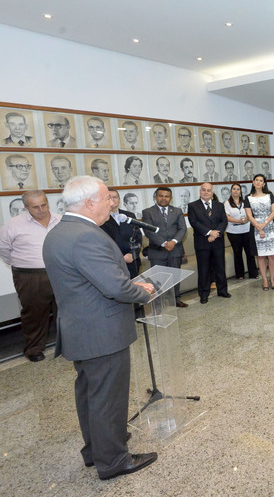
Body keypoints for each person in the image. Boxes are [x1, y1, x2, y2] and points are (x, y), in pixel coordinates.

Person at [42, 176, 157, 480]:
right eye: (107, 198)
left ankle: (97, 449)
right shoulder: (86, 236)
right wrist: (144, 291)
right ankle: (114, 460)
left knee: (90, 394)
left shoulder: (59, 232)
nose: (111, 203)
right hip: (102, 332)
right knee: (108, 398)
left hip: (81, 330)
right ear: (90, 203)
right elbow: (114, 287)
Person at [0, 190, 61, 362]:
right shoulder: (13, 225)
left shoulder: (60, 220)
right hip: (30, 276)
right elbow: (4, 250)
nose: (41, 209)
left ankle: (67, 343)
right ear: (26, 207)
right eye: (35, 207)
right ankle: (34, 348)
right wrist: (23, 263)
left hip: (60, 272)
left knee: (65, 310)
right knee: (34, 313)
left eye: (44, 205)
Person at [141, 187, 188, 307]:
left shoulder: (177, 211)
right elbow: (148, 231)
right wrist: (163, 243)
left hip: (175, 250)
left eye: (166, 196)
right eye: (161, 196)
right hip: (157, 251)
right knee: (158, 279)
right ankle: (159, 303)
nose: (163, 198)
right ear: (155, 197)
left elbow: (182, 229)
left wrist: (173, 241)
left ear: (170, 198)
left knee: (175, 276)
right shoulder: (148, 212)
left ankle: (176, 300)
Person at [188, 183, 231, 303]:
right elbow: (194, 222)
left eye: (208, 190)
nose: (206, 192)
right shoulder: (193, 206)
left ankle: (222, 291)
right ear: (200, 191)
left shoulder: (219, 205)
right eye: (204, 190)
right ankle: (204, 294)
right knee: (203, 269)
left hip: (217, 242)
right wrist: (209, 232)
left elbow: (224, 221)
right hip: (202, 242)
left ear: (212, 192)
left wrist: (216, 234)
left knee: (220, 267)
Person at [244, 175, 274, 290]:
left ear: (264, 184)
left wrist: (264, 224)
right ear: (253, 182)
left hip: (270, 226)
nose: (258, 182)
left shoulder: (269, 195)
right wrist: (259, 227)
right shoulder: (248, 198)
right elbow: (249, 215)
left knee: (272, 256)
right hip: (256, 227)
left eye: (261, 181)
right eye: (256, 180)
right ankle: (264, 280)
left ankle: (272, 279)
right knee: (260, 255)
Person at [100, 189, 142, 280]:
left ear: (119, 200)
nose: (112, 200)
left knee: (135, 285)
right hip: (113, 263)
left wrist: (132, 254)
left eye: (115, 197)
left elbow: (138, 237)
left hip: (132, 261)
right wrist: (120, 258)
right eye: (109, 197)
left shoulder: (129, 215)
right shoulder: (101, 217)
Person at [223, 183, 257, 280]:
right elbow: (227, 217)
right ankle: (240, 274)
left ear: (241, 191)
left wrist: (247, 219)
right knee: (237, 253)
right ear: (231, 191)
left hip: (246, 230)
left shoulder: (245, 202)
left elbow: (251, 214)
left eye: (238, 189)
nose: (236, 191)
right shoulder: (226, 203)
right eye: (234, 189)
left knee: (250, 252)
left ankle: (253, 273)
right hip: (233, 232)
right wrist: (238, 221)